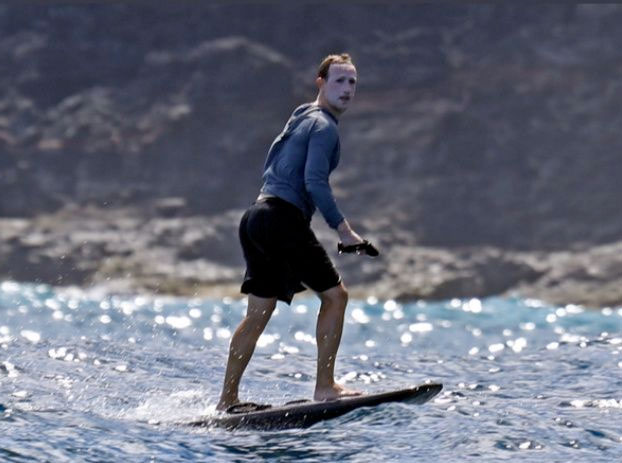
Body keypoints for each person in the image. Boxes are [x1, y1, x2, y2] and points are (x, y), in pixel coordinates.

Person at [217, 53, 378, 412]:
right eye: (339, 81)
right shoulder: (324, 127)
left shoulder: (301, 116)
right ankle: (325, 387)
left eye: (352, 82)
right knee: (336, 297)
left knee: (258, 313)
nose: (347, 89)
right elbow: (315, 182)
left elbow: (275, 162)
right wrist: (344, 230)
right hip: (281, 219)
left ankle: (226, 400)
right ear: (320, 82)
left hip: (255, 216)